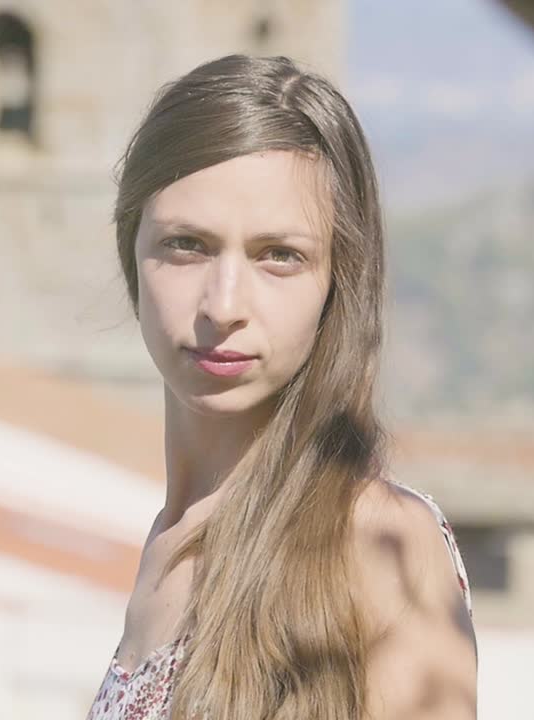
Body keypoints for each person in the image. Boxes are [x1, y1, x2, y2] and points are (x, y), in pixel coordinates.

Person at [85, 55, 476, 720]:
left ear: (337, 282)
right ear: (133, 253)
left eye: (279, 256)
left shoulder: (375, 544)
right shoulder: (167, 541)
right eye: (187, 245)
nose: (224, 303)